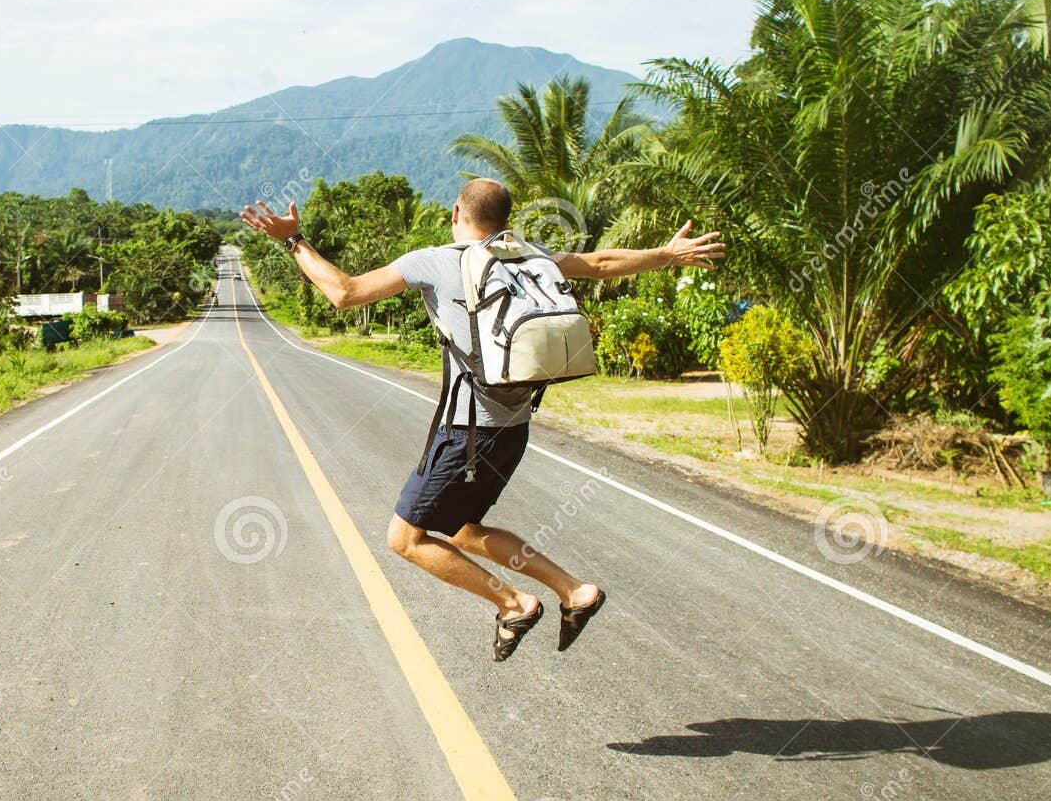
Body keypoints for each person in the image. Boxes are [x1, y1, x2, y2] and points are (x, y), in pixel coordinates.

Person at [241, 179, 724, 661]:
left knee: (405, 539)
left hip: (468, 434)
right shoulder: (530, 256)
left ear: (456, 213)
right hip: (513, 428)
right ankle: (574, 591)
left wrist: (293, 239)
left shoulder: (435, 261)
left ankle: (514, 604)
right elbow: (600, 264)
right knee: (462, 529)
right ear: (506, 219)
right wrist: (668, 254)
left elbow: (344, 292)